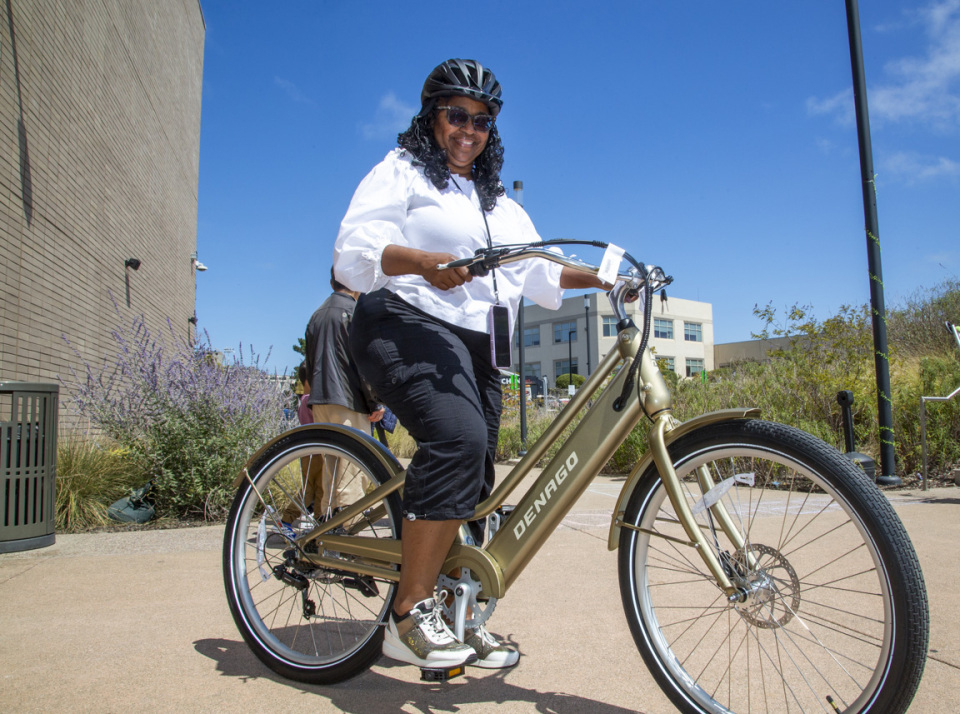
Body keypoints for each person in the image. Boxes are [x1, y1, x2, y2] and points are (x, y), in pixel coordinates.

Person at [334, 59, 611, 670]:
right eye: (457, 115)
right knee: (458, 439)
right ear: (433, 117)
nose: (468, 130)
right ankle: (407, 612)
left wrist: (609, 279)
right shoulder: (401, 170)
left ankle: (459, 612)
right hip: (403, 320)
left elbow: (539, 268)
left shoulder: (499, 204)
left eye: (481, 120)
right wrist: (424, 261)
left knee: (479, 480)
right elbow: (353, 252)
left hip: (481, 343)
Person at [301, 270, 384, 518]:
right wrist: (375, 402)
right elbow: (363, 364)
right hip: (348, 401)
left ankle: (327, 532)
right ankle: (349, 532)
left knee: (330, 471)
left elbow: (309, 363)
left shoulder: (316, 315)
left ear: (331, 282)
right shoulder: (355, 313)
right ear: (356, 282)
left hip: (320, 402)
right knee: (352, 472)